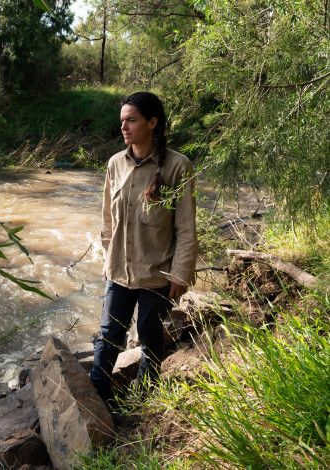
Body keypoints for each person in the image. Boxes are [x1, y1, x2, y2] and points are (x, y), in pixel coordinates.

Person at [90, 91, 198, 408]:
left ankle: (143, 395)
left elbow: (186, 228)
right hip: (119, 271)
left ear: (152, 123)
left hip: (157, 272)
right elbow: (107, 220)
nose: (124, 126)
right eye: (122, 120)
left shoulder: (178, 167)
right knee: (110, 334)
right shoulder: (115, 164)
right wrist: (109, 258)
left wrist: (180, 273)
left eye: (132, 120)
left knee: (150, 334)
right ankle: (97, 395)